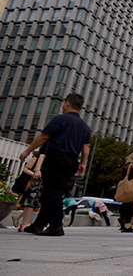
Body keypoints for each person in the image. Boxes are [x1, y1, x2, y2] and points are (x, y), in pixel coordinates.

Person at [19, 93, 91, 236]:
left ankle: (56, 226)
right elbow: (86, 147)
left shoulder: (60, 119)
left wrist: (28, 151)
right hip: (72, 161)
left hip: (57, 158)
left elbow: (44, 136)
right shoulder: (84, 126)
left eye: (64, 102)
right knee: (50, 192)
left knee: (53, 193)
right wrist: (82, 163)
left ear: (68, 103)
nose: (62, 105)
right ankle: (38, 224)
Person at [14, 151, 46, 232]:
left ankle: (19, 219)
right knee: (29, 202)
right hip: (31, 184)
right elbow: (25, 169)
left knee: (35, 205)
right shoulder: (35, 159)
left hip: (41, 185)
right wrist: (35, 174)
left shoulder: (48, 162)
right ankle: (24, 224)